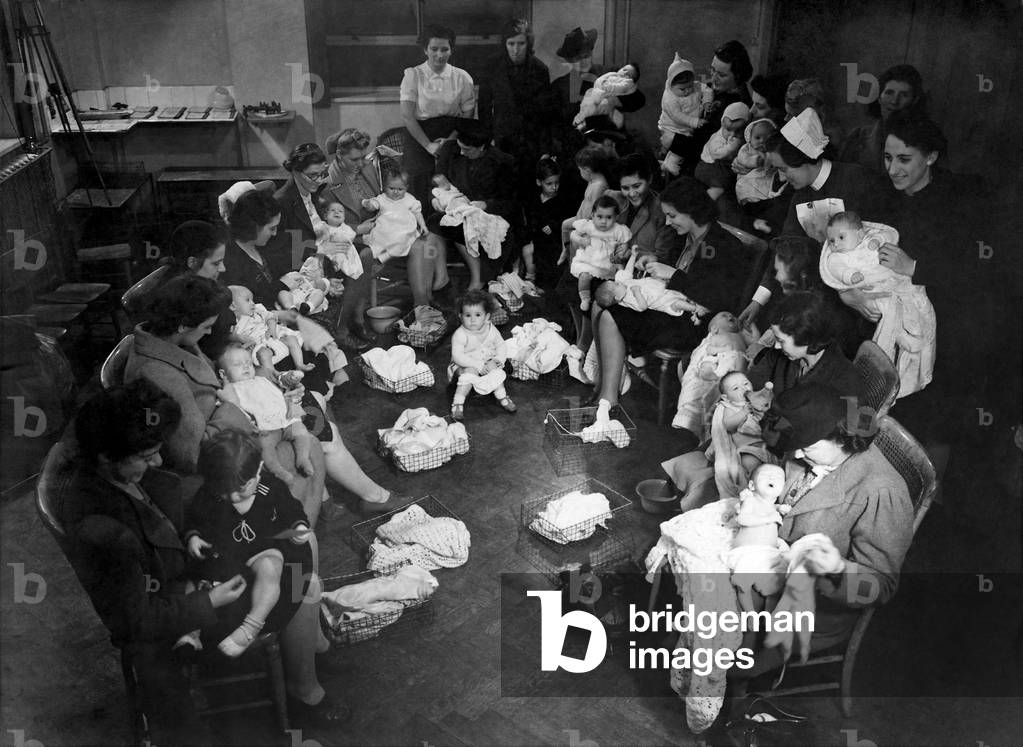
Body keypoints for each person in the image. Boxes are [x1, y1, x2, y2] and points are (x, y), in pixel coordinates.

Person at [60, 382, 348, 745]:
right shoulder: (101, 531)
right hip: (186, 613)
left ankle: (310, 647)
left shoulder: (116, 475)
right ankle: (304, 689)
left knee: (299, 548)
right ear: (106, 456)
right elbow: (138, 621)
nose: (159, 462)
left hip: (197, 572)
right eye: (148, 454)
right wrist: (211, 600)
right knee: (303, 583)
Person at [728, 382, 914, 683]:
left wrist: (839, 568)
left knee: (714, 638)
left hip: (814, 607)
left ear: (843, 437)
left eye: (807, 446)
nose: (797, 452)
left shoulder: (881, 491)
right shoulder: (812, 447)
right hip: (771, 565)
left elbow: (881, 586)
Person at [123, 274, 328, 525]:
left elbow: (214, 380)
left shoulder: (169, 341)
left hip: (230, 427)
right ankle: (292, 543)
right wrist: (235, 408)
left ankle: (297, 528)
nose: (210, 331)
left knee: (305, 422)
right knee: (312, 448)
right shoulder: (158, 375)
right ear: (182, 325)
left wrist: (265, 387)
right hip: (209, 466)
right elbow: (191, 455)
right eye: (206, 326)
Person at [589, 177, 754, 408]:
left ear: (692, 211)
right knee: (599, 303)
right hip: (668, 305)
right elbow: (673, 270)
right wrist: (654, 262)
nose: (667, 221)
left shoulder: (723, 245)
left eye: (672, 215)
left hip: (694, 319)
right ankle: (606, 385)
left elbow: (719, 298)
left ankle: (608, 399)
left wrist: (673, 275)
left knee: (609, 314)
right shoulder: (682, 237)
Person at [737, 108, 888, 330]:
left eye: (783, 169)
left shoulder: (858, 180)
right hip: (822, 295)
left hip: (866, 297)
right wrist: (757, 301)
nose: (781, 177)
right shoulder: (799, 196)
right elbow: (785, 249)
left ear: (802, 159)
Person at [185, 430, 314, 657]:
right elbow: (194, 518)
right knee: (193, 584)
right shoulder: (208, 496)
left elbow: (292, 510)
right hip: (224, 560)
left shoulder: (271, 488)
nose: (233, 496)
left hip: (263, 550)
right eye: (224, 491)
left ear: (259, 469)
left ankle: (250, 628)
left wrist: (299, 527)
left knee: (269, 567)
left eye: (241, 488)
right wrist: (193, 537)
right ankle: (190, 633)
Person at [269, 143, 376, 351]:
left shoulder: (313, 191)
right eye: (313, 175)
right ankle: (343, 329)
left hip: (321, 249)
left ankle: (356, 320)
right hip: (302, 260)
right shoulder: (283, 201)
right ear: (295, 171)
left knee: (365, 252)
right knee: (362, 256)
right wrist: (324, 258)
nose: (319, 180)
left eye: (322, 174)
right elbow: (284, 250)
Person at [324, 128, 444, 308]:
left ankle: (424, 301)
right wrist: (358, 228)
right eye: (355, 159)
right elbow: (326, 227)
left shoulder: (368, 168)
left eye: (363, 157)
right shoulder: (328, 184)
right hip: (356, 240)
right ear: (339, 156)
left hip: (384, 228)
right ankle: (423, 304)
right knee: (421, 246)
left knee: (428, 241)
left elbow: (384, 199)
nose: (361, 163)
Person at [428, 121, 519, 289]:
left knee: (460, 226)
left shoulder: (502, 162)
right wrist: (434, 199)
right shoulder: (450, 149)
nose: (461, 152)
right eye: (460, 146)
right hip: (455, 207)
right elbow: (436, 181)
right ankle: (441, 276)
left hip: (487, 216)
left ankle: (478, 278)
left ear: (482, 147)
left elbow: (510, 203)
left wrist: (485, 204)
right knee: (435, 221)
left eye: (467, 149)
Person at [215, 343, 317, 489]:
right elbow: (230, 409)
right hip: (265, 428)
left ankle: (303, 458)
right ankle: (278, 471)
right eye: (238, 364)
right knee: (263, 446)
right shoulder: (231, 389)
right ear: (223, 374)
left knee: (301, 431)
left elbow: (280, 393)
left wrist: (291, 399)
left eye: (249, 363)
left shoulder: (261, 379)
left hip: (285, 420)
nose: (246, 367)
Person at [477, 18, 558, 201]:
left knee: (528, 191)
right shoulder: (492, 65)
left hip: (530, 142)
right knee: (503, 191)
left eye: (520, 43)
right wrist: (486, 140)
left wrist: (544, 149)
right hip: (502, 140)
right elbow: (484, 106)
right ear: (504, 44)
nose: (515, 49)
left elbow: (545, 115)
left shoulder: (539, 69)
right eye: (511, 43)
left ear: (528, 43)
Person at [400, 25, 476, 206]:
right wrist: (428, 145)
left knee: (453, 181)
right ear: (425, 50)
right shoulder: (413, 75)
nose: (439, 55)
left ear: (451, 50)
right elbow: (407, 116)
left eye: (445, 49)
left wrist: (450, 140)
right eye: (434, 49)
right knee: (420, 180)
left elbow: (468, 114)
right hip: (420, 135)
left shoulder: (462, 77)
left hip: (454, 133)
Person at [746, 291, 862, 397]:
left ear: (805, 338)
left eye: (781, 341)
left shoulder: (844, 381)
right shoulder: (780, 354)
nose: (776, 346)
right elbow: (751, 382)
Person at [840, 64, 927, 175]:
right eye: (889, 93)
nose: (894, 101)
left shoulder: (923, 142)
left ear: (914, 101)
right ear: (879, 97)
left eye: (904, 95)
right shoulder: (858, 137)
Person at [448, 290, 516, 420]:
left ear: (487, 317)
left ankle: (502, 396)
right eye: (468, 315)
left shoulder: (491, 328)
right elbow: (458, 356)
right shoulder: (460, 334)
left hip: (486, 361)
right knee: (470, 371)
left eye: (478, 315)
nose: (473, 320)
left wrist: (497, 360)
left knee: (494, 369)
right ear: (460, 316)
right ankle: (457, 402)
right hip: (464, 365)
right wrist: (478, 365)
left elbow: (501, 345)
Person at [568, 194, 632, 313]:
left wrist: (623, 249)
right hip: (588, 260)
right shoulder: (588, 225)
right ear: (593, 215)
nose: (603, 221)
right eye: (599, 217)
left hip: (606, 263)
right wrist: (581, 240)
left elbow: (625, 243)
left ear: (616, 217)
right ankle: (585, 299)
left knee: (612, 282)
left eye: (609, 217)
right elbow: (573, 234)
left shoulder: (618, 230)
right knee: (584, 276)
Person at [521, 155, 574, 288]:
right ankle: (530, 277)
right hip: (538, 239)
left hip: (554, 241)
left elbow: (566, 219)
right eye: (549, 184)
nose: (554, 187)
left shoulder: (561, 201)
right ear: (539, 182)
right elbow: (533, 220)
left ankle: (537, 280)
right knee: (527, 250)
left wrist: (554, 226)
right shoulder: (535, 199)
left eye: (557, 183)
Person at [693, 40, 754, 151]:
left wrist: (672, 140)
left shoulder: (738, 107)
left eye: (721, 75)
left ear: (737, 76)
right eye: (712, 70)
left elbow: (704, 143)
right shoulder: (712, 87)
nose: (713, 78)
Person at [658, 54, 711, 176]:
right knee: (679, 144)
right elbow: (677, 116)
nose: (688, 91)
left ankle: (666, 159)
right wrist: (695, 122)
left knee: (684, 143)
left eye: (690, 87)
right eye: (682, 89)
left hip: (687, 126)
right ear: (671, 84)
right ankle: (670, 163)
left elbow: (707, 89)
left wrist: (707, 101)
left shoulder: (695, 86)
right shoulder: (669, 98)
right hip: (672, 126)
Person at [361, 166, 428, 263]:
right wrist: (368, 204)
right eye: (391, 188)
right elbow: (373, 206)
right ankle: (376, 253)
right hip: (386, 227)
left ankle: (386, 256)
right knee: (378, 236)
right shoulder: (382, 198)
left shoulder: (410, 199)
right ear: (385, 186)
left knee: (404, 240)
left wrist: (423, 225)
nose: (395, 192)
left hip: (403, 229)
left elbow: (417, 213)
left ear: (406, 188)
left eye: (400, 189)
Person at [694, 101, 750, 201]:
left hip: (722, 167)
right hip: (708, 167)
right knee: (721, 186)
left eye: (738, 130)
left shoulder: (743, 139)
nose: (732, 135)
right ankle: (704, 201)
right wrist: (730, 147)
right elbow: (716, 155)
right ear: (722, 124)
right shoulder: (717, 138)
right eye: (728, 130)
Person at [572, 62, 642, 130]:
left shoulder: (609, 71)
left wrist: (615, 100)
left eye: (586, 55)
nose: (581, 60)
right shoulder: (564, 81)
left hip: (606, 121)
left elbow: (639, 99)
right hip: (580, 128)